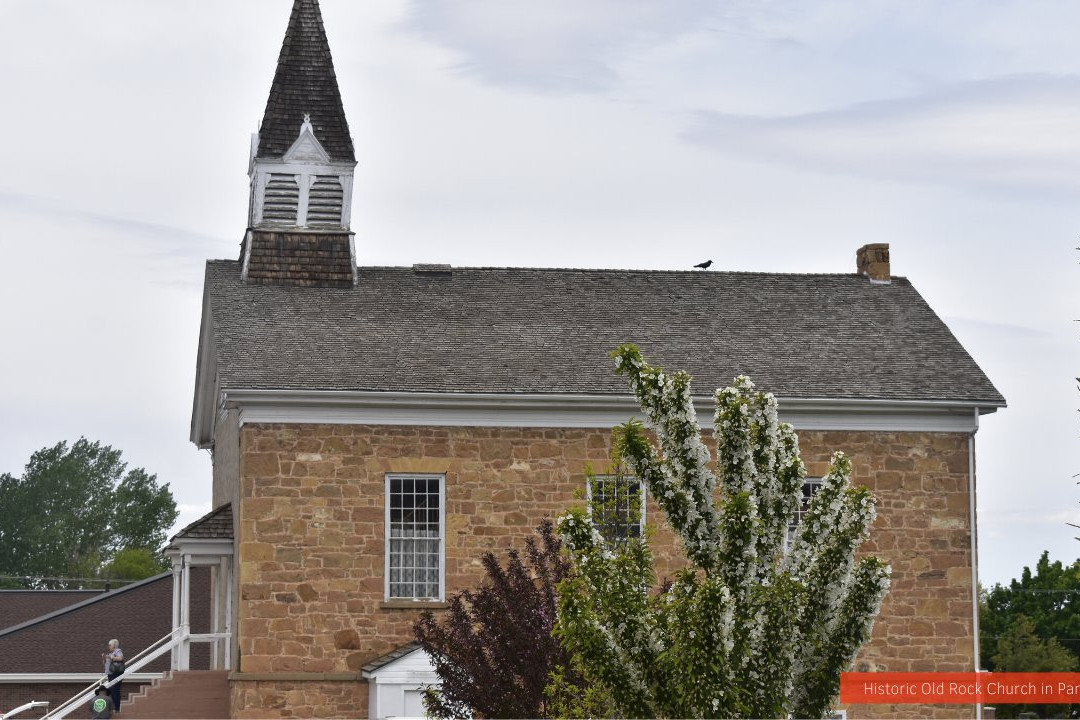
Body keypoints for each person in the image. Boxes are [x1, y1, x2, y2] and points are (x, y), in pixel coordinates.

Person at [101, 639, 124, 713]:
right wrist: (104, 658)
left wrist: (110, 657)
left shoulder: (117, 651)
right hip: (110, 674)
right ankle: (114, 708)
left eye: (110, 645)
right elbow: (105, 664)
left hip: (115, 674)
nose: (109, 646)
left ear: (114, 645)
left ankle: (116, 708)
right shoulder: (111, 653)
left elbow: (121, 658)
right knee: (112, 691)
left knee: (115, 691)